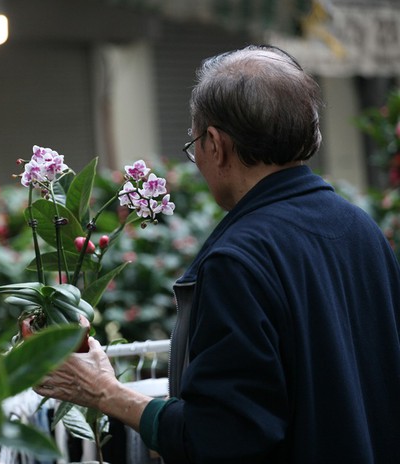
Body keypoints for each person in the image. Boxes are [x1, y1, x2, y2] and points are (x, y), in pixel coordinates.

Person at [35, 44, 400, 463]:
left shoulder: (239, 260)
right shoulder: (362, 230)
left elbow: (222, 436)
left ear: (215, 143)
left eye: (195, 145)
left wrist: (103, 391)